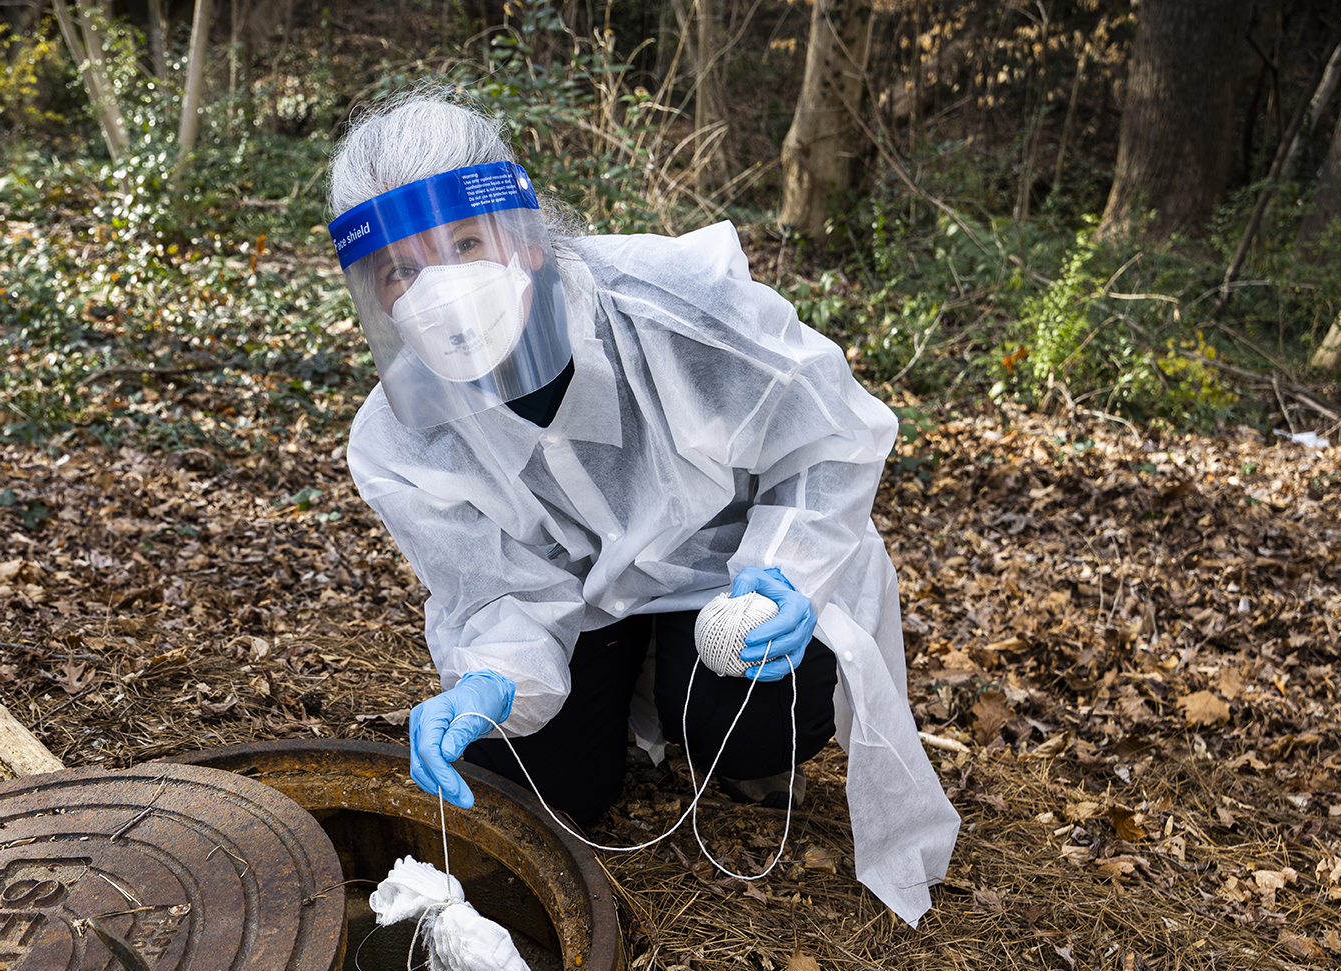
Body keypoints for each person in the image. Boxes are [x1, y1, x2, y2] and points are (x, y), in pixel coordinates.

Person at [327, 92, 957, 926]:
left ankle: (715, 720)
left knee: (746, 715)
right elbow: (498, 591)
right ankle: (630, 679)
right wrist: (487, 681)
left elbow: (830, 437)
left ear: (522, 234)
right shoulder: (399, 438)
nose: (432, 289)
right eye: (398, 269)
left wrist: (786, 568)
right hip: (584, 603)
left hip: (730, 573)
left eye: (463, 245)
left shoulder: (671, 305)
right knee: (547, 787)